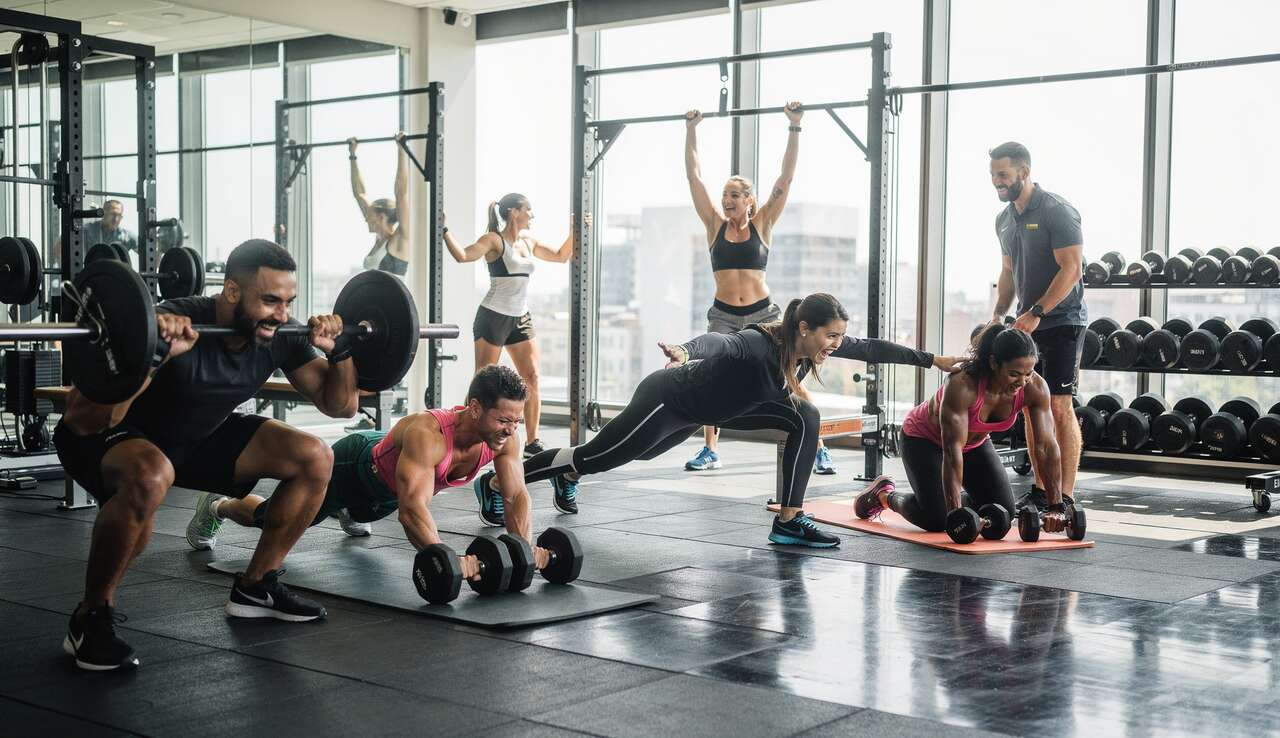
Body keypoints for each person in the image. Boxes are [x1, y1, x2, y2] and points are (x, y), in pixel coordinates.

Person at [53, 239, 360, 671]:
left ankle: (256, 586)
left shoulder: (279, 336)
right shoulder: (170, 320)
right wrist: (155, 355)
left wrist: (340, 350)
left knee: (314, 457)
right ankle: (90, 618)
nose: (281, 314)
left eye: (288, 302)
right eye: (270, 300)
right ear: (231, 292)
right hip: (110, 435)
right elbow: (89, 417)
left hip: (194, 437)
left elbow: (341, 406)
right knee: (152, 475)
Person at [479, 293, 962, 544]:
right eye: (830, 336)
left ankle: (789, 521)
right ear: (803, 328)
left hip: (711, 413)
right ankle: (499, 483)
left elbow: (871, 347)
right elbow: (719, 343)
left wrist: (932, 360)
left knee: (804, 416)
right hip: (669, 400)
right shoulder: (759, 343)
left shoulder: (810, 348)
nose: (836, 345)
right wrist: (685, 350)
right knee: (598, 458)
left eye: (839, 337)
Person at [187, 366, 545, 569]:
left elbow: (515, 496)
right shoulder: (430, 435)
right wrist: (448, 560)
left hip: (385, 492)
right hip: (355, 467)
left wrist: (524, 550)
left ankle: (351, 511)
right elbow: (412, 511)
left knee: (366, 512)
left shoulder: (505, 440)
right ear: (476, 408)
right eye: (504, 420)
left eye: (516, 421)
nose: (510, 430)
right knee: (272, 519)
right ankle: (219, 505)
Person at [681, 102, 837, 475]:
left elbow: (786, 179)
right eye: (725, 194)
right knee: (710, 376)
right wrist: (691, 129)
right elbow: (694, 177)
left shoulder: (763, 223)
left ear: (749, 200)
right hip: (723, 315)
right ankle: (710, 450)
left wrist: (794, 127)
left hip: (764, 315)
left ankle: (818, 447)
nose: (727, 200)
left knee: (788, 376)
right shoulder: (713, 225)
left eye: (735, 195)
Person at [852, 324, 1071, 534]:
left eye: (1029, 373)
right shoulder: (963, 385)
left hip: (974, 444)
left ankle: (945, 498)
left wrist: (1056, 506)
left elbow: (1046, 446)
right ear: (994, 363)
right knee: (939, 519)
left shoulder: (1036, 387)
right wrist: (955, 513)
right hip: (924, 440)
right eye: (1014, 374)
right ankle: (883, 495)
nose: (1022, 381)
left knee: (1003, 510)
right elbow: (952, 450)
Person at [443, 193, 576, 477]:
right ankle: (463, 436)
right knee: (482, 379)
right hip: (493, 316)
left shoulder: (528, 242)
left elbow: (561, 256)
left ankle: (532, 441)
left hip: (521, 317)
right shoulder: (494, 240)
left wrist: (576, 229)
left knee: (533, 376)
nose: (532, 215)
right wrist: (444, 230)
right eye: (529, 210)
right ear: (514, 212)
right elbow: (463, 256)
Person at [988, 141, 1085, 511]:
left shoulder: (1056, 211)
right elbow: (1008, 271)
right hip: (1028, 325)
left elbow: (1071, 269)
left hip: (1063, 321)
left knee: (1059, 406)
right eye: (993, 175)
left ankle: (1067, 496)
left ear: (1024, 172)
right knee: (1031, 406)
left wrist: (1038, 311)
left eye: (1003, 174)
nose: (997, 181)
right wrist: (999, 313)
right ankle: (1043, 490)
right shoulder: (1004, 219)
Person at [348, 134, 410, 276]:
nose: (365, 219)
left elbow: (401, 193)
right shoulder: (379, 241)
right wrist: (352, 155)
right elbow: (359, 194)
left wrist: (401, 150)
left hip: (392, 292)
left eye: (369, 216)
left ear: (382, 217)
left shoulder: (400, 239)